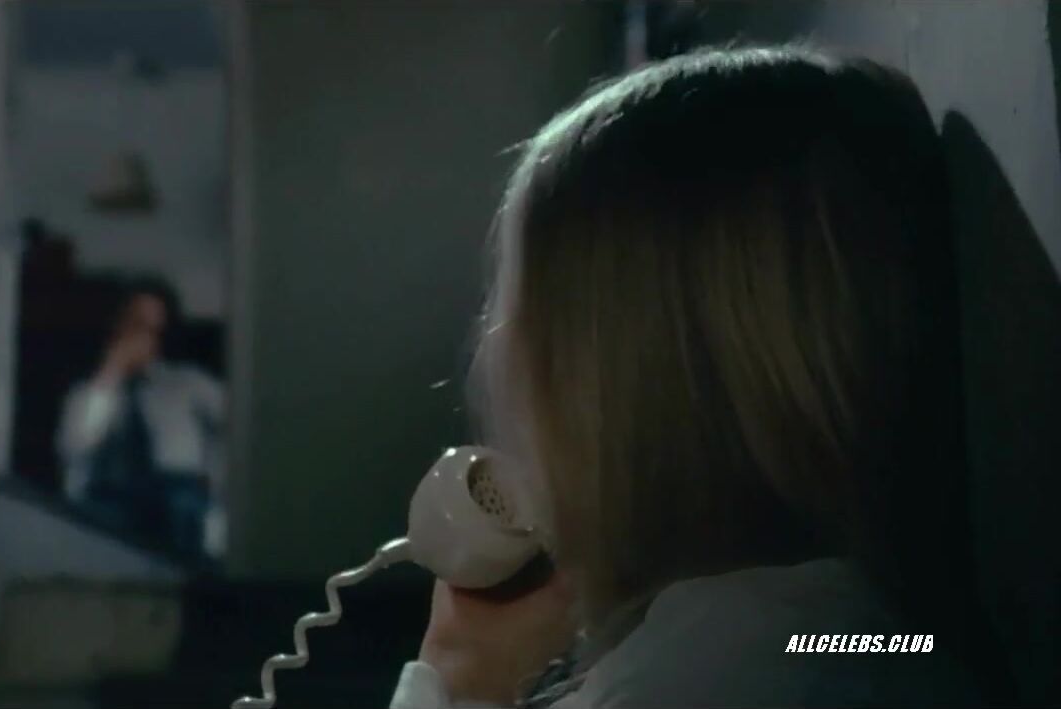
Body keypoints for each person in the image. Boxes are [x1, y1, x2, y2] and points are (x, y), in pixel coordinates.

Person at [391, 46, 1001, 707]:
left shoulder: (733, 660)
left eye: (529, 329)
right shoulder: (825, 634)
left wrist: (459, 679)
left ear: (620, 382)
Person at [57, 278, 227, 557]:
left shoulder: (189, 385)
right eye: (137, 326)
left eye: (154, 331)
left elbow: (249, 424)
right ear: (118, 325)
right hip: (110, 503)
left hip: (180, 503)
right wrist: (112, 372)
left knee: (184, 506)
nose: (144, 339)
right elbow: (75, 446)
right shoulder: (88, 392)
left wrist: (218, 480)